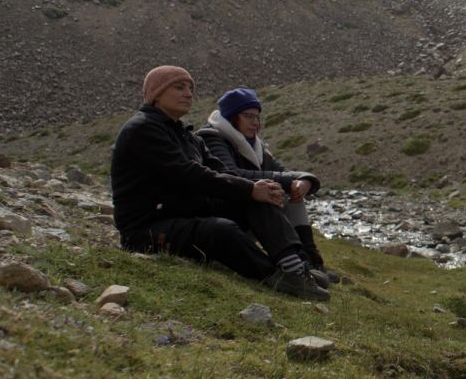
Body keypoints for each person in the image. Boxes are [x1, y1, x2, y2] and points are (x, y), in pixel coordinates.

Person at [109, 65, 329, 301]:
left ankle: (295, 266)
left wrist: (258, 189)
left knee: (256, 198)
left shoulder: (187, 136)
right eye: (179, 87)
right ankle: (277, 276)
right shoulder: (143, 129)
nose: (188, 94)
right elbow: (189, 174)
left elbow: (222, 172)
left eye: (191, 88)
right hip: (148, 229)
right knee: (221, 230)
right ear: (156, 93)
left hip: (183, 213)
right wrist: (250, 188)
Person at [197, 87, 340, 284]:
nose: (256, 123)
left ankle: (311, 261)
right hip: (223, 213)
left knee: (293, 193)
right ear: (232, 117)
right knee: (268, 189)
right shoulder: (211, 138)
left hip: (245, 214)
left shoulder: (255, 146)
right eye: (249, 116)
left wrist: (305, 180)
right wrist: (287, 181)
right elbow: (230, 173)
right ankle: (296, 265)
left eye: (258, 117)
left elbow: (283, 171)